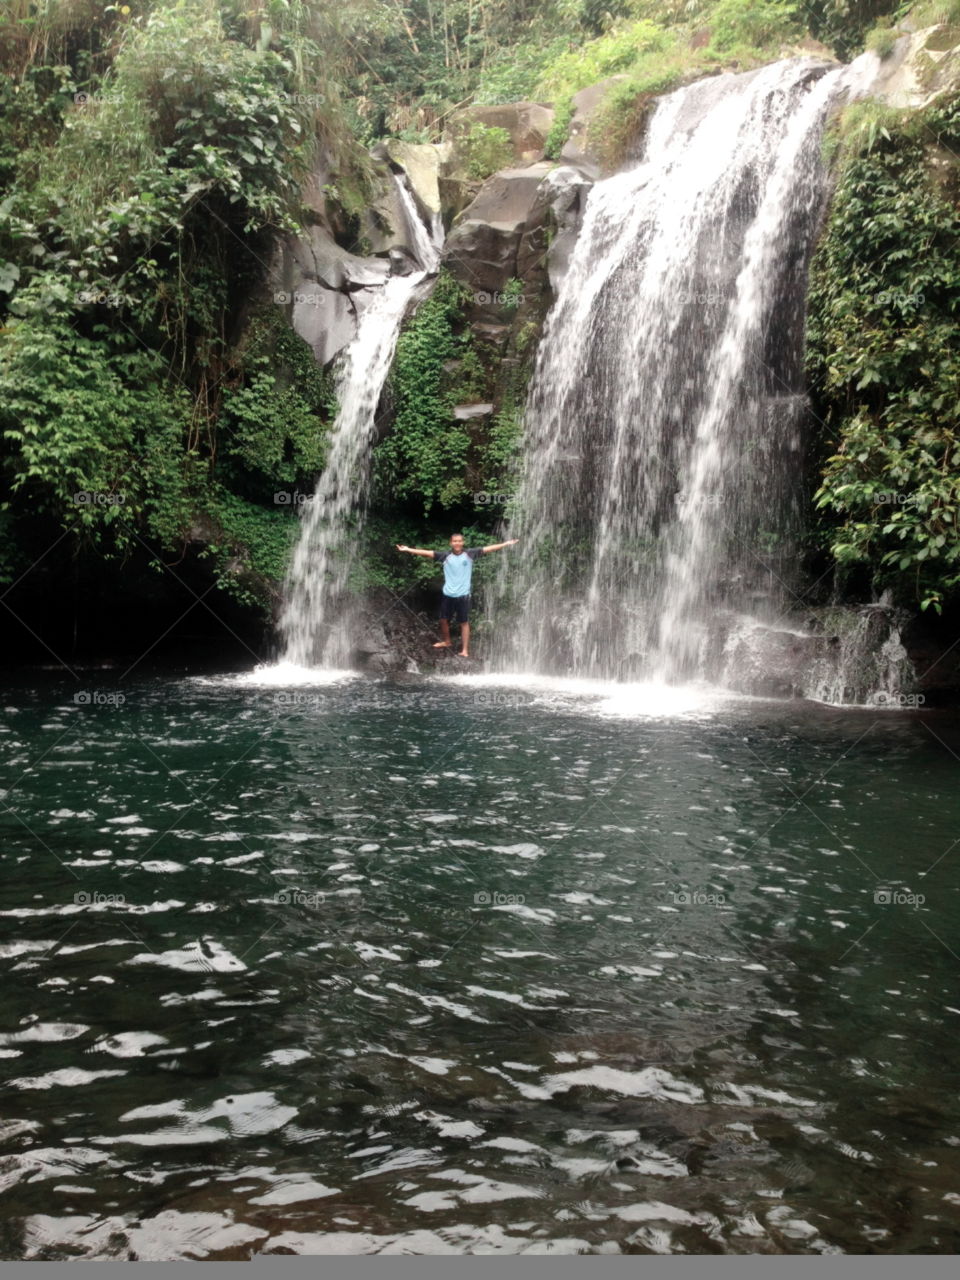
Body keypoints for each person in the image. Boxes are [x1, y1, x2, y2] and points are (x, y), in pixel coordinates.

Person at [396, 533, 519, 658]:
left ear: (463, 542)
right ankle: (447, 641)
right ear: (451, 543)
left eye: (459, 541)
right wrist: (407, 549)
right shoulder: (445, 556)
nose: (457, 543)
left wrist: (505, 544)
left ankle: (465, 650)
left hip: (463, 595)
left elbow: (489, 548)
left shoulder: (470, 554)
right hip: (448, 594)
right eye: (455, 541)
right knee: (443, 620)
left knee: (464, 622)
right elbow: (426, 553)